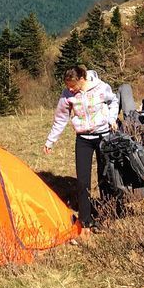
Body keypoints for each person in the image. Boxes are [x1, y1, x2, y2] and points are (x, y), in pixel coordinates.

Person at [43, 65, 119, 228]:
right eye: (67, 86)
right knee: (82, 180)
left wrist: (112, 118)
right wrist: (50, 141)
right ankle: (85, 219)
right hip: (83, 138)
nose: (70, 89)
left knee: (104, 176)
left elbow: (114, 101)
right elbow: (61, 118)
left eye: (73, 85)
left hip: (103, 137)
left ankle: (107, 214)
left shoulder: (101, 87)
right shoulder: (67, 95)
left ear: (82, 79)